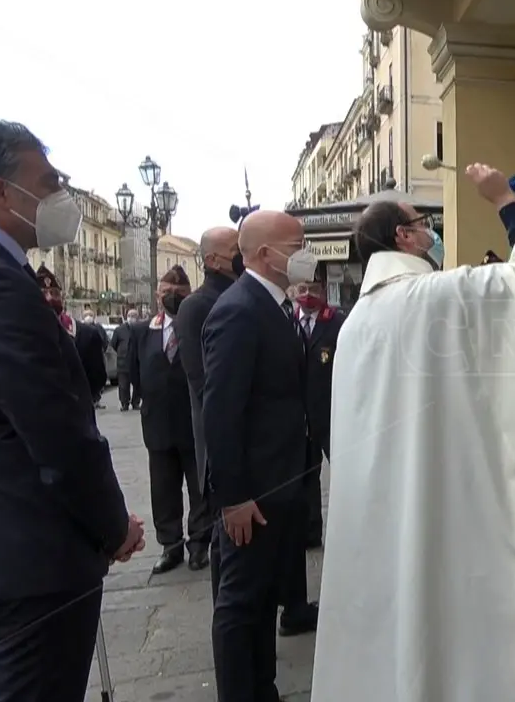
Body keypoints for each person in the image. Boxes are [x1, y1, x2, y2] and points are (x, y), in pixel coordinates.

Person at [310, 163, 515, 702]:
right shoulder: (435, 298)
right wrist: (506, 206)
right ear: (403, 236)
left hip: (387, 518)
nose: (431, 233)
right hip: (458, 511)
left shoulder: (355, 324)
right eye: (423, 223)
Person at [0, 120, 144, 702]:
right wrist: (112, 528)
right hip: (29, 558)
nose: (59, 195)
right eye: (49, 180)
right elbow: (56, 432)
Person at [203, 210, 317, 702]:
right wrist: (234, 498)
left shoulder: (272, 305)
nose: (306, 253)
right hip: (253, 493)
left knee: (264, 597)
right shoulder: (239, 310)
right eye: (298, 244)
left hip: (281, 484)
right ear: (266, 255)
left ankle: (261, 687)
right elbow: (221, 414)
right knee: (240, 604)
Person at [175, 225, 241, 599]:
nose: (241, 254)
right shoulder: (196, 306)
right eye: (234, 248)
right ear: (213, 259)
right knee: (226, 540)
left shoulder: (238, 293)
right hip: (220, 437)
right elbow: (202, 382)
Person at [130, 265, 211, 574]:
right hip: (158, 424)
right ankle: (171, 545)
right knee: (163, 490)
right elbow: (135, 374)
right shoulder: (142, 331)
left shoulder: (198, 325)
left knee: (199, 488)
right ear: (157, 295)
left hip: (193, 423)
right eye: (167, 293)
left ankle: (199, 545)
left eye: (179, 294)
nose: (172, 298)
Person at [293, 265, 347, 548]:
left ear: (324, 289)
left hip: (332, 414)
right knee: (306, 479)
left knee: (346, 473)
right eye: (302, 289)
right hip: (301, 419)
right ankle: (311, 531)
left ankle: (351, 528)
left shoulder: (337, 321)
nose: (307, 294)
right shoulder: (287, 321)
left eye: (313, 288)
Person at [37, 265, 109, 404]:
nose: (50, 298)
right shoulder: (21, 333)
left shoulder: (86, 334)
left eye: (54, 293)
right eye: (43, 293)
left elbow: (97, 378)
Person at [112, 307, 142, 410]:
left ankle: (136, 402)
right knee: (123, 385)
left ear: (138, 318)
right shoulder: (119, 330)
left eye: (134, 316)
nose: (131, 318)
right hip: (123, 361)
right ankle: (124, 403)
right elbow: (113, 344)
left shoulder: (141, 329)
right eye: (130, 316)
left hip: (137, 361)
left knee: (138, 384)